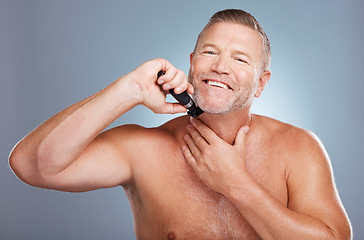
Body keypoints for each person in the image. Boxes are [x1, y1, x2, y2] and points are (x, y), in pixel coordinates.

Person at [9, 9, 352, 240]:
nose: (220, 66)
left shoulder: (298, 148)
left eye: (240, 58)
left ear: (261, 83)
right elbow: (32, 165)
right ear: (192, 63)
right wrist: (129, 90)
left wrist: (236, 184)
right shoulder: (142, 150)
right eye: (209, 52)